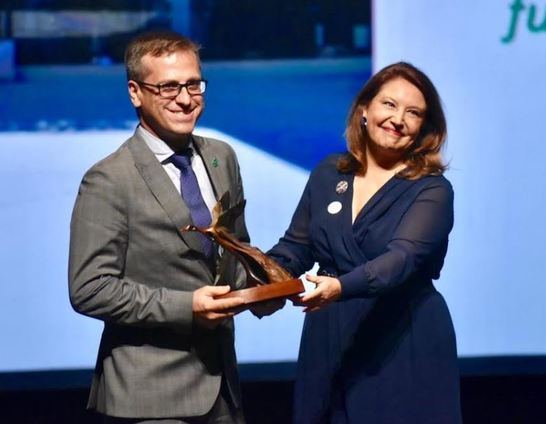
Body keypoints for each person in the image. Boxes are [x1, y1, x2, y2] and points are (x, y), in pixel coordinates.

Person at [69, 31, 274, 423]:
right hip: (149, 396)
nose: (184, 99)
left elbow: (235, 252)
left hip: (223, 392)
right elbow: (90, 289)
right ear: (135, 92)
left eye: (193, 84)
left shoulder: (221, 157)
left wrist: (262, 291)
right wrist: (186, 307)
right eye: (167, 87)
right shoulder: (109, 179)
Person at [268, 62, 462, 423]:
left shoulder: (432, 190)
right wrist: (255, 277)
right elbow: (296, 248)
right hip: (328, 337)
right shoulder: (329, 172)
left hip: (400, 338)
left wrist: (339, 287)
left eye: (413, 112)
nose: (398, 118)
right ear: (364, 111)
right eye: (389, 104)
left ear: (424, 128)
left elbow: (401, 260)